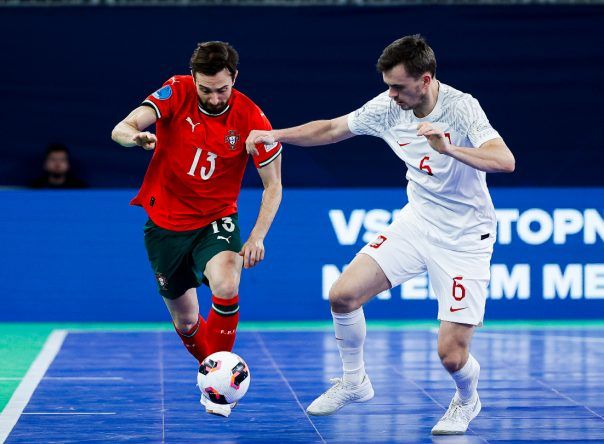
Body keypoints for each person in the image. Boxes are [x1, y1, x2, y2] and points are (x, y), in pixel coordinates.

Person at [246, 35, 514, 435]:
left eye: (399, 87)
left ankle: (466, 399)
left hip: (465, 238)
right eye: (388, 85)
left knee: (452, 356)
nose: (391, 95)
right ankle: (354, 381)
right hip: (417, 223)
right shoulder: (388, 108)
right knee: (342, 295)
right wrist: (276, 134)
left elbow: (505, 161)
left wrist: (449, 150)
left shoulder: (462, 107)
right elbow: (332, 129)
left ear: (425, 80)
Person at [111, 41, 282, 418]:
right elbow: (121, 127)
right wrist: (135, 137)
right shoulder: (176, 91)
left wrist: (257, 236)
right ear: (193, 79)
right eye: (206, 89)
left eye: (223, 89)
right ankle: (216, 378)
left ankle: (222, 391)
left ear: (235, 78)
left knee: (227, 282)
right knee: (187, 321)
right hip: (164, 224)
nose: (215, 97)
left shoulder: (252, 118)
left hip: (216, 219)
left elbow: (273, 185)